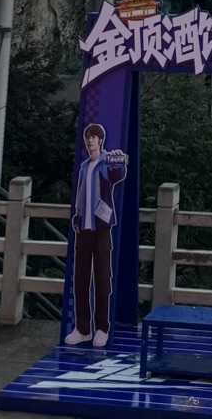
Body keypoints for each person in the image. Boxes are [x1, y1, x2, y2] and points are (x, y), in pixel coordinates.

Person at [66, 123, 128, 349]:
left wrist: (118, 162)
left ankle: (103, 327)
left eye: (95, 137)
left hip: (102, 228)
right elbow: (81, 194)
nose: (91, 141)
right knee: (80, 278)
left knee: (103, 278)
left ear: (101, 140)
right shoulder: (84, 166)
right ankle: (82, 328)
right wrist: (77, 215)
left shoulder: (106, 161)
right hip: (83, 228)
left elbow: (116, 175)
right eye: (88, 137)